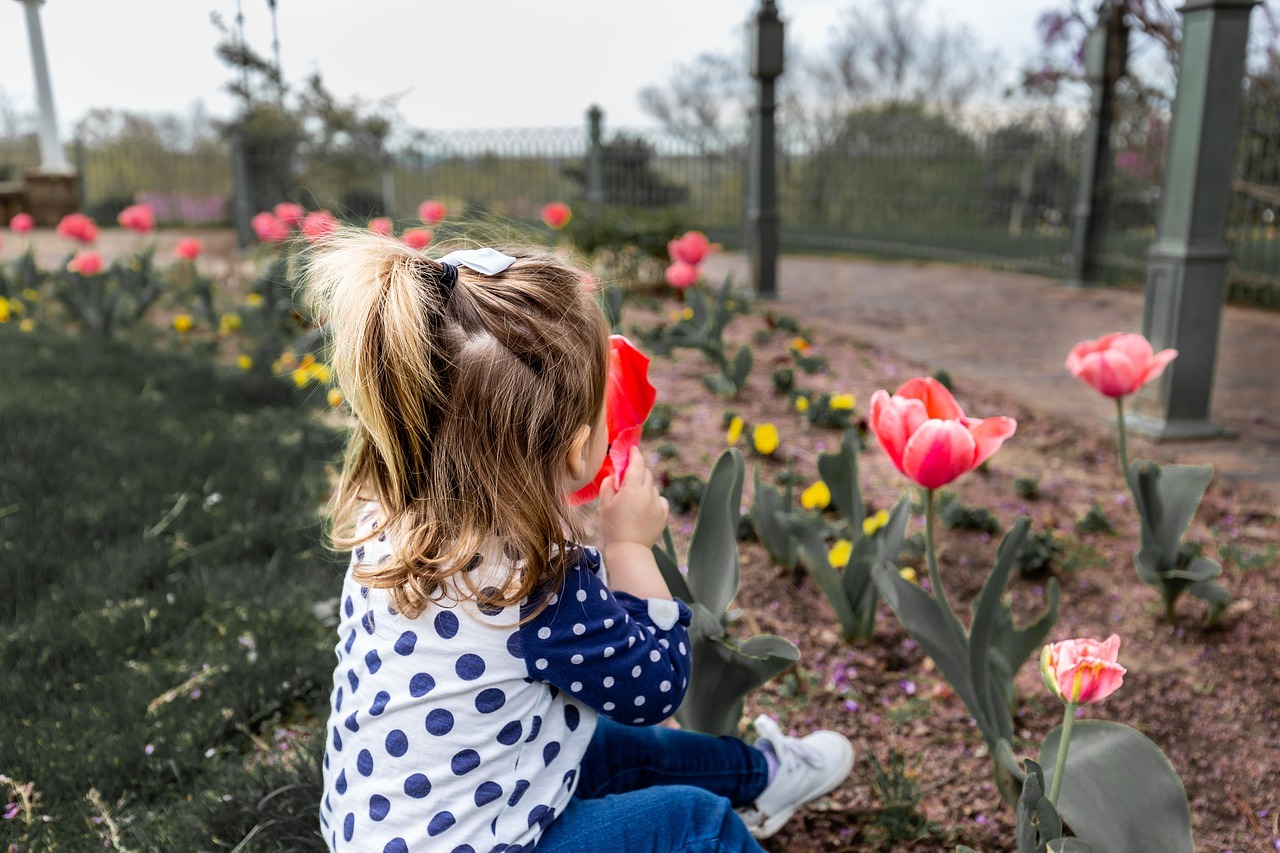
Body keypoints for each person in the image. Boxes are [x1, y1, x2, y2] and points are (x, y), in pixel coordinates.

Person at [306, 232, 855, 852]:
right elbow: (656, 688)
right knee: (694, 823)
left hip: (386, 831)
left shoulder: (390, 519)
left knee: (607, 746)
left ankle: (763, 777)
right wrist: (629, 549)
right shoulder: (534, 585)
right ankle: (741, 803)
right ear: (575, 449)